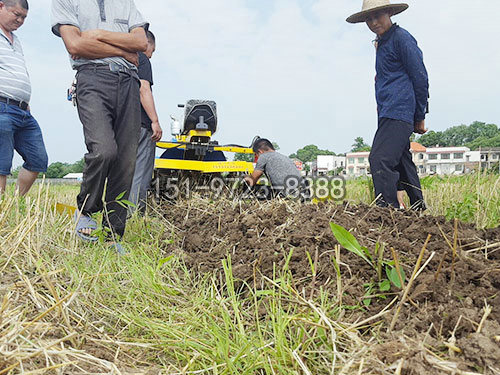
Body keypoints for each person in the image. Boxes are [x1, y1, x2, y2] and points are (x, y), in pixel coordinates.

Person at [51, 0, 149, 252]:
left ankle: (113, 235)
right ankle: (86, 211)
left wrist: (98, 36)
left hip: (128, 83)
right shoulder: (66, 1)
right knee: (104, 150)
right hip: (92, 80)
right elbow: (75, 45)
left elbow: (140, 43)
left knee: (126, 161)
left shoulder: (126, 3)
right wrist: (122, 50)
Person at [347, 0, 428, 210]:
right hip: (387, 111)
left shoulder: (402, 38)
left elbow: (420, 77)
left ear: (390, 12)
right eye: (368, 19)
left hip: (400, 110)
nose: (373, 22)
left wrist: (419, 115)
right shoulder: (382, 42)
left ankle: (387, 213)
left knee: (379, 159)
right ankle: (419, 208)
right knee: (403, 161)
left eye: (378, 16)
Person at [0, 0, 48, 196]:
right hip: (2, 106)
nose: (20, 20)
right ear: (1, 6)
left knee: (38, 158)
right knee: (2, 161)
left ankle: (15, 200)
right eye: (16, 14)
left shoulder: (15, 40)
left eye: (24, 17)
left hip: (22, 110)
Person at [129, 30, 162, 214]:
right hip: (141, 126)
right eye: (153, 50)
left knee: (125, 173)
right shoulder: (141, 58)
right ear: (146, 43)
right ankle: (133, 216)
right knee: (140, 174)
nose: (151, 55)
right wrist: (155, 121)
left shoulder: (121, 59)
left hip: (123, 126)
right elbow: (144, 89)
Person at [244, 138, 308, 200]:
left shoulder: (263, 157)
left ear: (259, 151)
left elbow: (252, 180)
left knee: (258, 190)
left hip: (287, 194)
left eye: (256, 155)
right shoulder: (285, 157)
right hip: (303, 193)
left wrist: (245, 179)